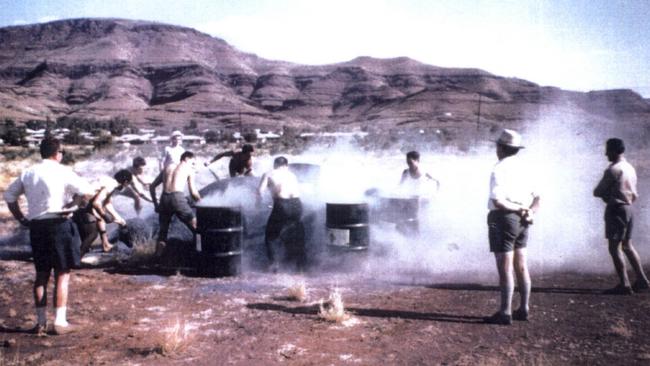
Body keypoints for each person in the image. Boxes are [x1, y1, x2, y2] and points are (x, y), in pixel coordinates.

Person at [4, 138, 94, 336]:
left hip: (37, 226)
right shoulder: (63, 171)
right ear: (58, 153)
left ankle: (41, 323)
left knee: (42, 274)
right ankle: (60, 322)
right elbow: (87, 192)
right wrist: (74, 204)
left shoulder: (29, 172)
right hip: (60, 223)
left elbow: (9, 196)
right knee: (62, 273)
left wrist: (21, 218)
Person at [484, 129, 541, 325]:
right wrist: (529, 211)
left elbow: (498, 202)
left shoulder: (498, 169)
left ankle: (505, 312)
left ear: (501, 148)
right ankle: (523, 308)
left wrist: (518, 209)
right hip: (524, 219)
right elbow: (538, 198)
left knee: (505, 266)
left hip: (504, 219)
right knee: (521, 264)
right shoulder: (528, 168)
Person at [593, 138, 650, 295]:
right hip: (629, 208)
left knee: (614, 247)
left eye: (607, 150)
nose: (606, 154)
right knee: (628, 245)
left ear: (613, 151)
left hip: (616, 209)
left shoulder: (613, 170)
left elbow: (597, 191)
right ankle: (642, 280)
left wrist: (607, 195)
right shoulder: (629, 167)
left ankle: (624, 284)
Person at [257, 156, 306, 271]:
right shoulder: (292, 175)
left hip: (282, 205)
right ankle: (301, 266)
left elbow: (259, 191)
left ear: (275, 165)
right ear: (286, 166)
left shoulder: (269, 173)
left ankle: (274, 265)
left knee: (271, 235)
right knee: (297, 234)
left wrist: (258, 205)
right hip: (297, 204)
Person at [73, 170, 132, 256]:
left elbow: (106, 204)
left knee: (98, 219)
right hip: (82, 205)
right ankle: (76, 260)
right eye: (128, 184)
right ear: (125, 182)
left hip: (80, 202)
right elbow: (96, 203)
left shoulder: (109, 181)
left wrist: (119, 219)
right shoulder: (111, 185)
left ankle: (105, 244)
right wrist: (105, 216)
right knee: (92, 234)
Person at [152, 151, 201, 255]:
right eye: (193, 163)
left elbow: (152, 186)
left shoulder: (167, 167)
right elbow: (193, 193)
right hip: (177, 198)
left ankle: (156, 259)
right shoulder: (189, 169)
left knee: (163, 233)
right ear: (187, 159)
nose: (193, 166)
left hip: (164, 199)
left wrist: (156, 204)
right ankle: (200, 255)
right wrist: (203, 203)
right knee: (198, 229)